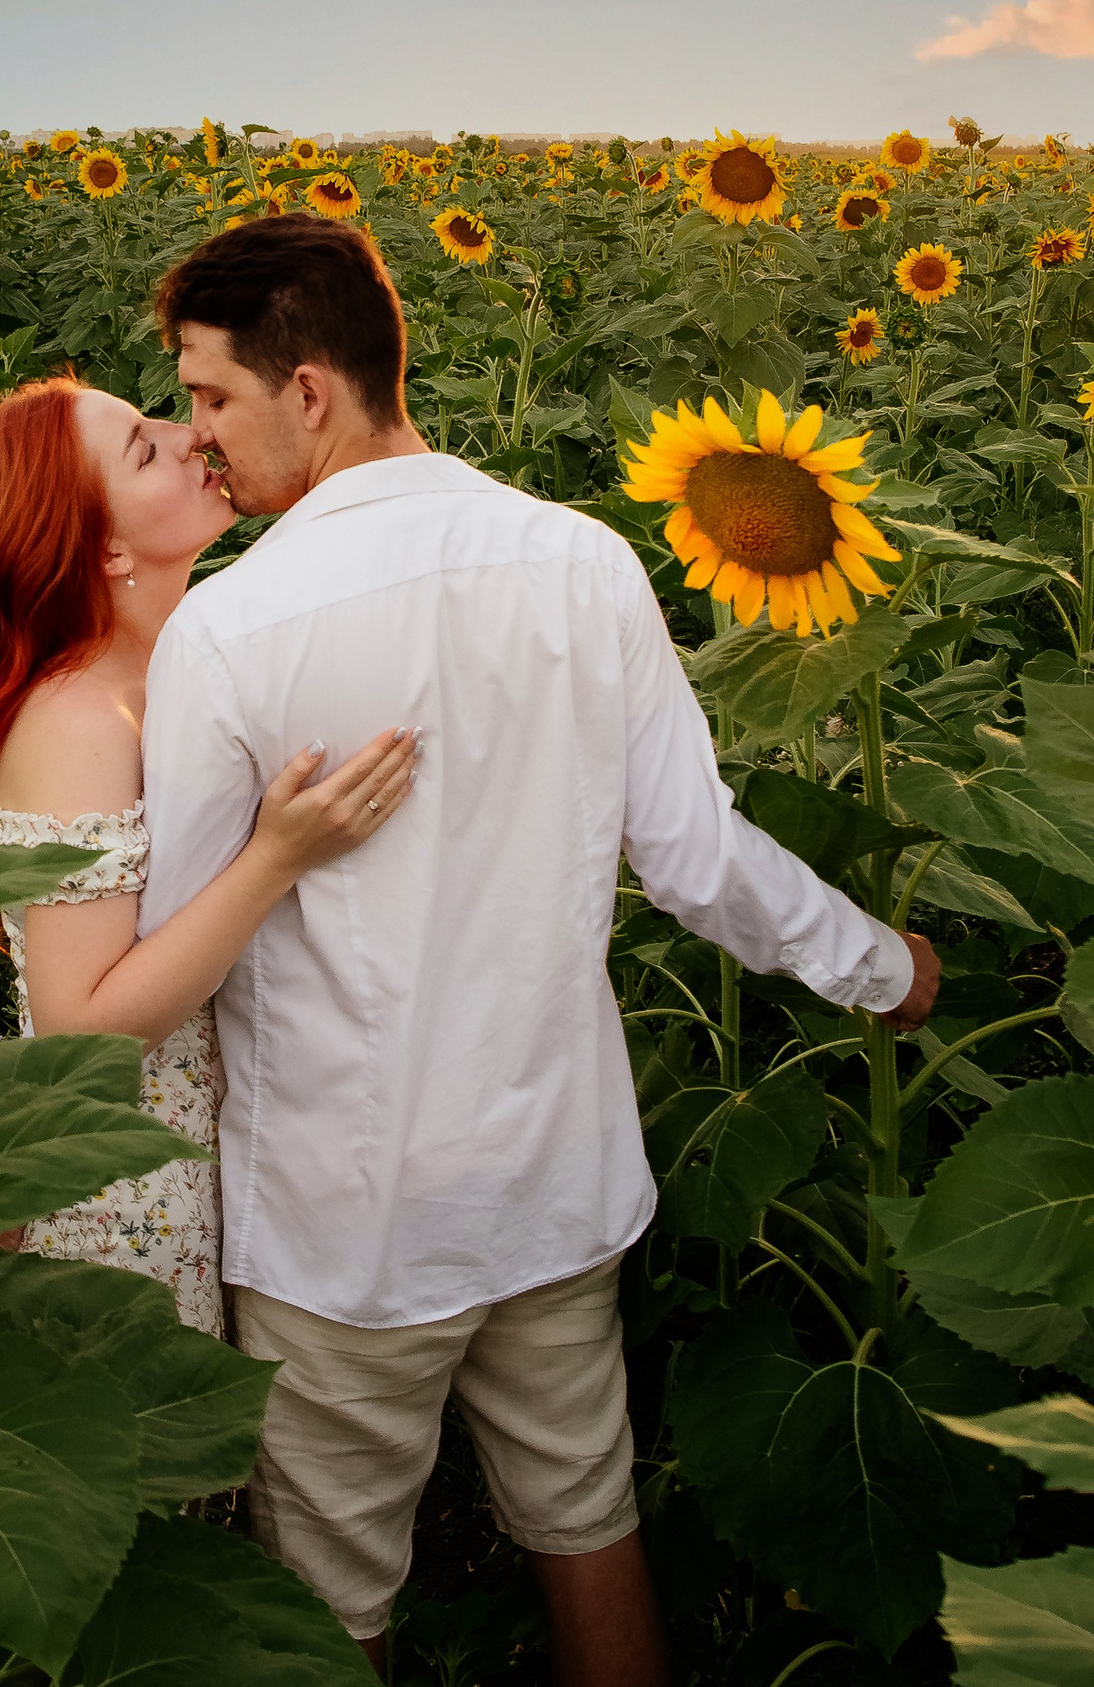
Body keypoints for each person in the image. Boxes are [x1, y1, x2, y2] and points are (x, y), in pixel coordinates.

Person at [136, 215, 941, 1686]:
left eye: (207, 396)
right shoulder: (581, 560)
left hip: (343, 1219)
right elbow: (697, 855)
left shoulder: (233, 626)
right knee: (588, 1521)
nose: (199, 439)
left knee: (321, 1606)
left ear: (308, 389)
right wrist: (880, 963)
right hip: (555, 1180)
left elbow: (179, 951)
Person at [0, 374, 418, 1337]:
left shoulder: (168, 667)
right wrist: (277, 857)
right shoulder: (76, 722)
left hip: (207, 1157)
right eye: (144, 448)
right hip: (120, 1197)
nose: (189, 436)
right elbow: (78, 1030)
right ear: (102, 546)